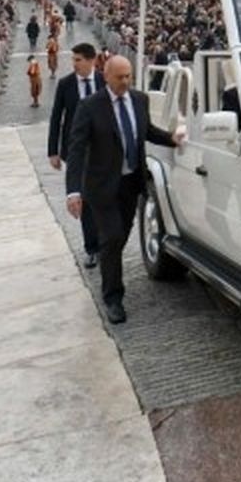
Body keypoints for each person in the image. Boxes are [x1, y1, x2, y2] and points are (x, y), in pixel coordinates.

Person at [65, 55, 182, 325]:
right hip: (102, 187)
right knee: (112, 237)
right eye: (120, 77)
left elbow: (147, 131)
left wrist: (172, 139)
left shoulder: (140, 100)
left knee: (119, 237)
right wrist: (73, 192)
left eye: (128, 75)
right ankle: (113, 298)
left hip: (131, 184)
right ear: (105, 76)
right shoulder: (90, 107)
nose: (125, 81)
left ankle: (110, 270)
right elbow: (77, 148)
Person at [48, 42, 105, 268]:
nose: (74, 64)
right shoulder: (66, 84)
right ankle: (91, 248)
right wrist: (52, 150)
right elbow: (56, 117)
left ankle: (105, 242)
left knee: (104, 196)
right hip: (76, 150)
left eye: (78, 60)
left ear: (91, 60)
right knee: (85, 200)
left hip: (102, 148)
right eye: (73, 60)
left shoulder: (103, 80)